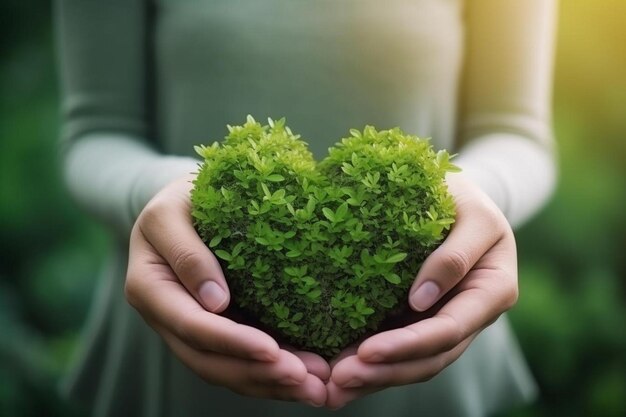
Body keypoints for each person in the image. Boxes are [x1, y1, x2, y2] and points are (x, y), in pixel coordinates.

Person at [55, 0, 558, 416]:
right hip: (178, 334)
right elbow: (96, 131)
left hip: (428, 340)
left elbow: (515, 131)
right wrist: (163, 190)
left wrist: (472, 197)